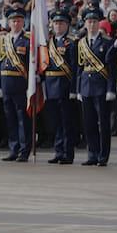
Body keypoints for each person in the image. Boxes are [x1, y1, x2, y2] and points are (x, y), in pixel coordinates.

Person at [76, 8, 117, 166]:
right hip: (86, 86)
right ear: (85, 24)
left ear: (98, 23)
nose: (91, 25)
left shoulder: (106, 42)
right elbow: (79, 69)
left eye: (94, 22)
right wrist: (79, 88)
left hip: (101, 86)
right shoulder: (81, 43)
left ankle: (103, 155)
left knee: (103, 123)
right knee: (89, 123)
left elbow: (111, 68)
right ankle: (92, 154)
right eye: (89, 22)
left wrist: (110, 89)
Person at [0, 8, 32, 162]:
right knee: (10, 119)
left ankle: (24, 150)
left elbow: (31, 64)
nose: (16, 23)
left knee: (22, 119)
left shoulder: (28, 40)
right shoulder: (3, 40)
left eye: (19, 21)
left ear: (23, 22)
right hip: (5, 83)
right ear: (9, 22)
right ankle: (13, 148)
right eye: (13, 21)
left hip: (20, 84)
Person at [44, 9, 79, 164]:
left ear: (67, 25)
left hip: (64, 86)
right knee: (55, 122)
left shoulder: (71, 43)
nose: (58, 26)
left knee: (67, 122)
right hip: (50, 86)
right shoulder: (47, 43)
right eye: (56, 23)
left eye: (61, 23)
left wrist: (73, 89)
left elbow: (74, 68)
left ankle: (67, 152)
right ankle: (58, 151)